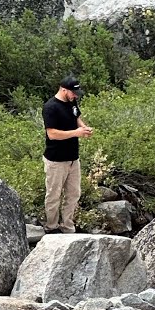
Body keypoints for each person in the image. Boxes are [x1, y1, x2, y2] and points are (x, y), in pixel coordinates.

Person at [42, 76, 92, 234]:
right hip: (56, 160)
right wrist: (76, 133)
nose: (75, 96)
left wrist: (84, 128)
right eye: (73, 93)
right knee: (54, 194)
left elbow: (76, 117)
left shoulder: (72, 102)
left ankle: (67, 226)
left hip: (73, 158)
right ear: (64, 90)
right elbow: (52, 134)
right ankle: (51, 227)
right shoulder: (50, 107)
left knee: (74, 193)